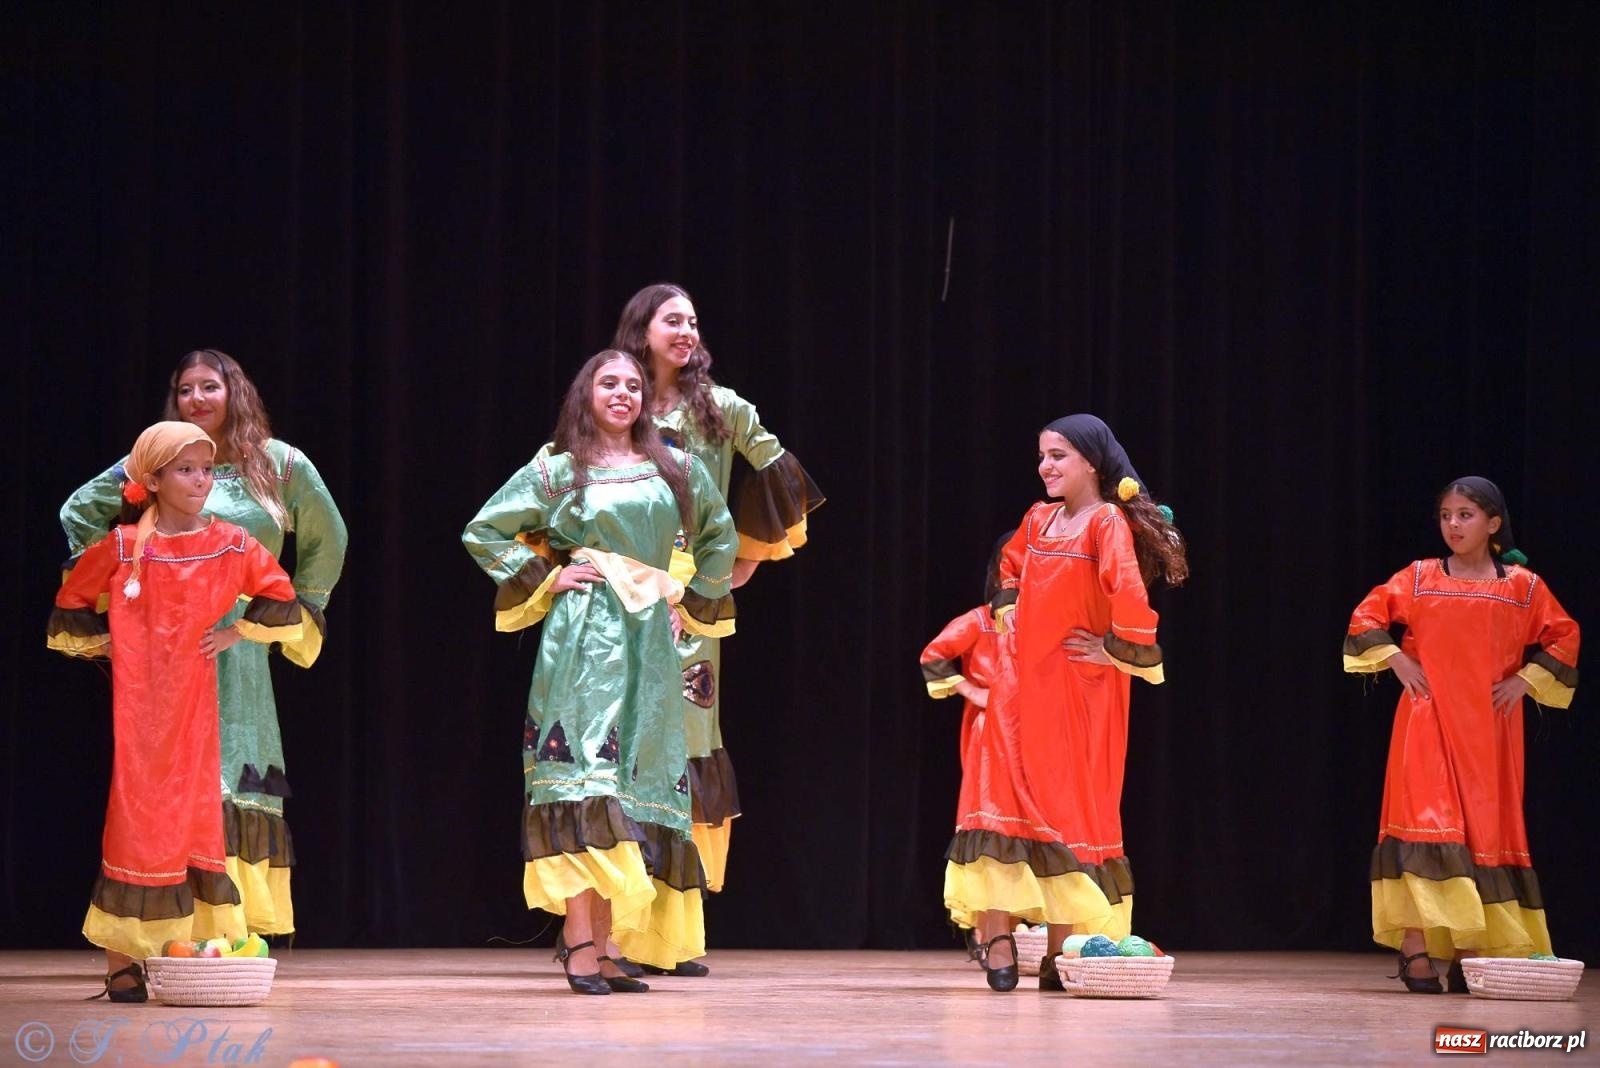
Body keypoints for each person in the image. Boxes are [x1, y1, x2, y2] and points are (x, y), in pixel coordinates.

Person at [462, 350, 738, 995]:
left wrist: (688, 606)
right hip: (585, 640)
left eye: (634, 385)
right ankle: (581, 946)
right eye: (609, 384)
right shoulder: (560, 471)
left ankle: (607, 946)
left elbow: (719, 539)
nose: (623, 394)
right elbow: (484, 531)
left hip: (650, 641)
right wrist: (551, 576)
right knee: (587, 785)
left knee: (630, 793)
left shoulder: (676, 468)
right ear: (585, 394)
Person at [60, 349, 348, 938]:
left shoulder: (279, 464)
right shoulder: (160, 458)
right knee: (161, 781)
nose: (197, 398)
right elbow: (80, 512)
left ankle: (231, 931)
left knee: (235, 770)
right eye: (185, 389)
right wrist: (128, 601)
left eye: (209, 386)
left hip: (233, 645)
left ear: (233, 391)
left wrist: (290, 614)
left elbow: (329, 534)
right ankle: (168, 932)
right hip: (165, 647)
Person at [49, 422, 310, 1002]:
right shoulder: (121, 549)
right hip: (142, 711)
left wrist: (236, 632)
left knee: (193, 818)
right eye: (185, 471)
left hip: (196, 707)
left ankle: (182, 955)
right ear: (154, 480)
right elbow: (71, 602)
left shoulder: (230, 543)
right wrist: (110, 643)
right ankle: (122, 961)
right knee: (138, 818)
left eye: (204, 470)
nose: (199, 481)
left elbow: (280, 593)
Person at [607, 283, 824, 976]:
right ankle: (613, 935)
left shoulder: (721, 409)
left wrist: (747, 558)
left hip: (690, 604)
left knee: (686, 745)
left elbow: (778, 471)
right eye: (674, 319)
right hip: (619, 592)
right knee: (622, 746)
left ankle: (668, 937)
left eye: (695, 320)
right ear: (641, 331)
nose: (688, 330)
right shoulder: (618, 400)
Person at [944, 414, 1187, 991]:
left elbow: (1128, 593)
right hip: (1020, 681)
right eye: (1042, 456)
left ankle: (1058, 949)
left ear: (1092, 463)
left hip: (1079, 694)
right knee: (997, 796)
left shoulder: (1106, 523)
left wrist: (1113, 649)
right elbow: (1009, 570)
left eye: (1059, 456)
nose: (1046, 467)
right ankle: (998, 934)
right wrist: (1013, 619)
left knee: (1065, 808)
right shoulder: (1038, 518)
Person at [1344, 476, 1579, 994]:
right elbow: (1367, 617)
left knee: (1478, 831)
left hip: (1489, 731)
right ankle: (1416, 946)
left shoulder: (1522, 586)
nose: (1453, 524)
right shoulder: (1421, 577)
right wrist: (1399, 659)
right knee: (1430, 827)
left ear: (1493, 524)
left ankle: (1473, 951)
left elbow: (1565, 635)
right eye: (1447, 514)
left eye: (1466, 515)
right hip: (1427, 723)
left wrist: (1524, 679)